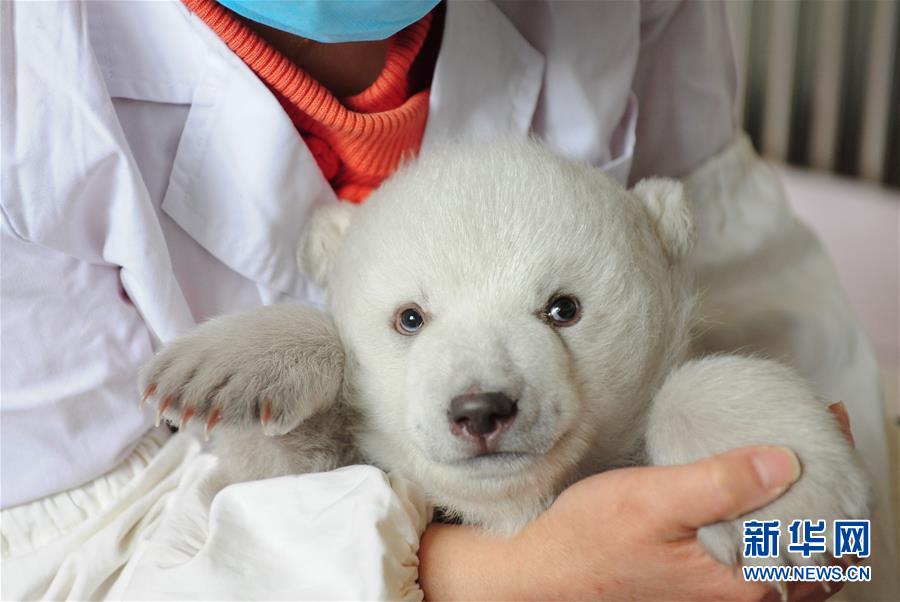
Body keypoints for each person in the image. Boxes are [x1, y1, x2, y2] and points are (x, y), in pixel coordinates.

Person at [1, 1, 895, 600]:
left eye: (562, 314)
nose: (481, 395)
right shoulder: (27, 82)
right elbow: (67, 571)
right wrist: (516, 578)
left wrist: (786, 563)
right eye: (410, 324)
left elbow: (847, 525)